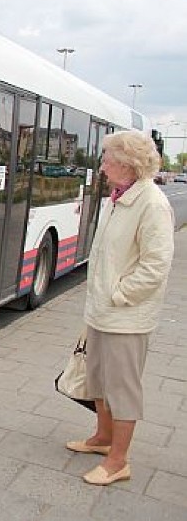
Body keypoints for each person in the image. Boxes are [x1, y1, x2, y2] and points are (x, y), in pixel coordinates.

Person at [66, 130, 174, 486]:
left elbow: (156, 266)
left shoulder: (152, 203)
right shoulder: (117, 197)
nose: (101, 166)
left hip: (126, 316)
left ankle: (118, 461)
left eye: (107, 159)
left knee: (122, 387)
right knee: (98, 379)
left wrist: (118, 295)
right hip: (101, 311)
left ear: (127, 163)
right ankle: (102, 438)